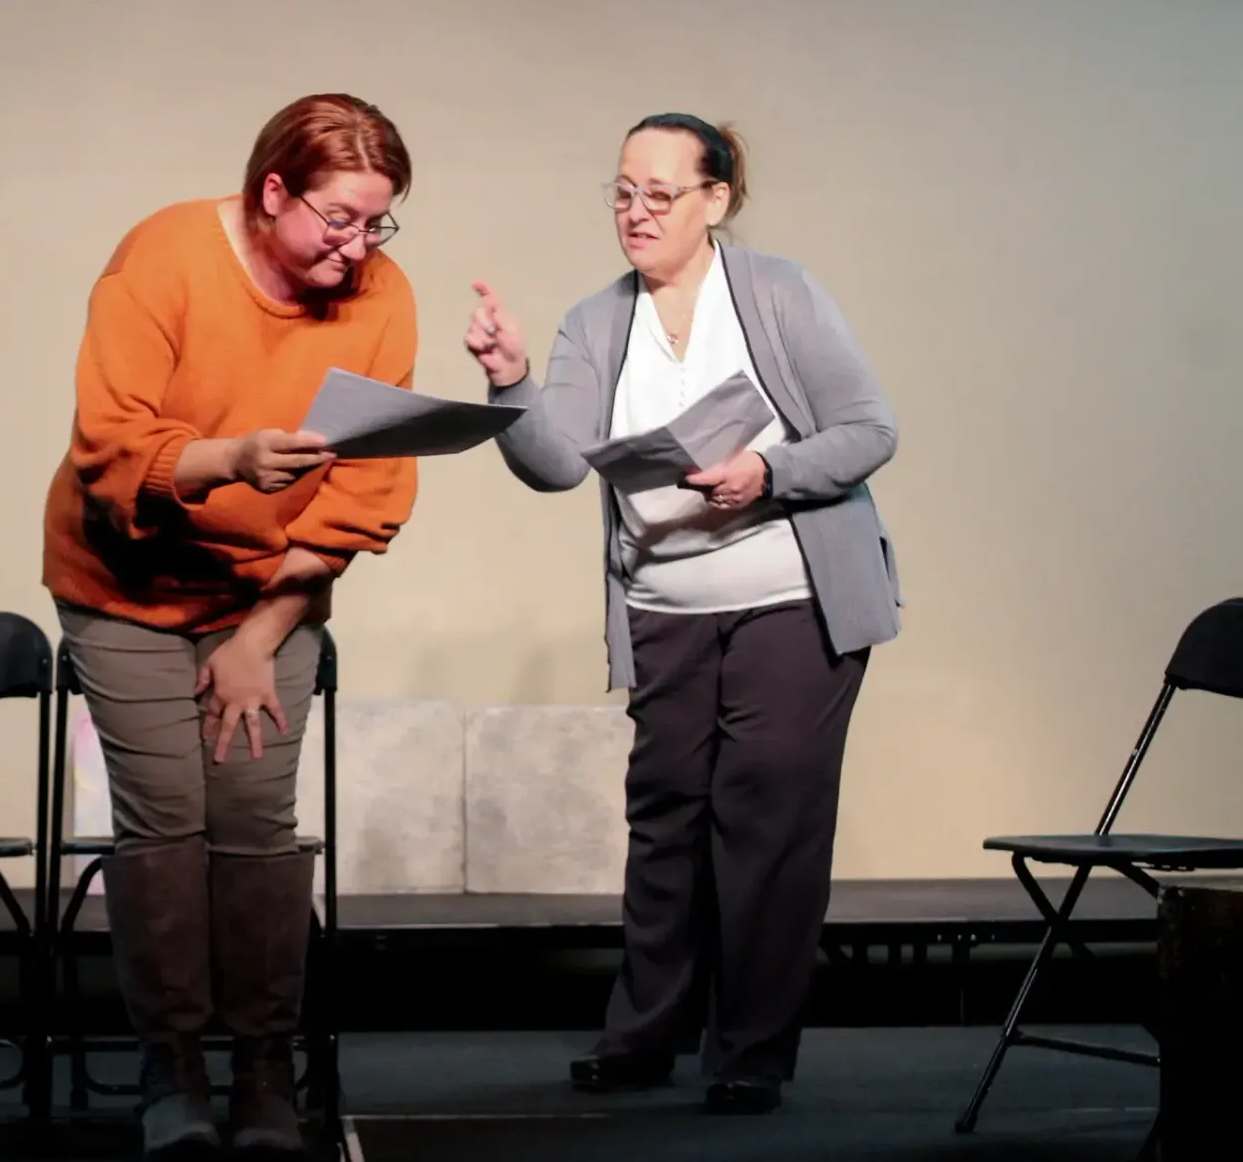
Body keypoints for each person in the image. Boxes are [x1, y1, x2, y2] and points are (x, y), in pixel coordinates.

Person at [464, 114, 900, 1114]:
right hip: (665, 609)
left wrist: (769, 469)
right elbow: (555, 465)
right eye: (622, 190)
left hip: (793, 601)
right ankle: (645, 1031)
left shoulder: (778, 293)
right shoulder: (595, 320)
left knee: (764, 819)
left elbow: (869, 429)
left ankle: (749, 1047)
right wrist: (509, 382)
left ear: (716, 199)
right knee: (665, 818)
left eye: (660, 193)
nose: (636, 211)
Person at [44, 93, 419, 1157]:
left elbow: (368, 488)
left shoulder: (382, 296)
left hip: (270, 588)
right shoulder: (161, 258)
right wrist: (231, 457)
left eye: (377, 222)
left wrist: (262, 635)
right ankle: (172, 1069)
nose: (356, 249)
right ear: (271, 192)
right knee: (166, 817)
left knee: (253, 814)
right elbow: (112, 442)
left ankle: (262, 1067)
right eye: (338, 220)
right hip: (124, 582)